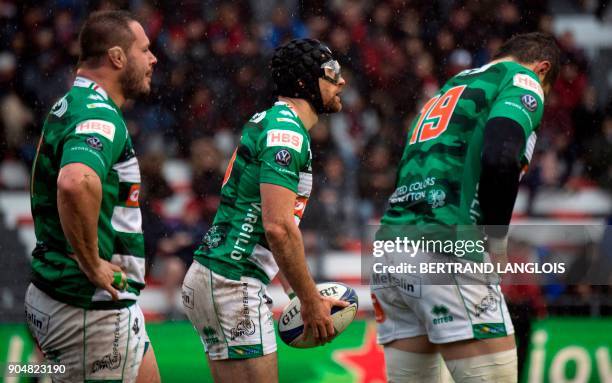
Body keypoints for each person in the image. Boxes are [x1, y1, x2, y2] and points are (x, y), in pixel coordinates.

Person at [371, 32, 560, 382]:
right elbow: (501, 157)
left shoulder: (450, 87)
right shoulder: (523, 80)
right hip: (447, 247)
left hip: (391, 251)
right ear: (543, 69)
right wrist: (496, 242)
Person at [182, 38, 349, 382]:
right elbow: (278, 228)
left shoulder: (273, 122)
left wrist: (300, 294)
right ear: (305, 83)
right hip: (232, 282)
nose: (341, 81)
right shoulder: (287, 134)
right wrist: (310, 302)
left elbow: (274, 230)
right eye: (332, 73)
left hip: (218, 276)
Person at [25, 10, 160, 383]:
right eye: (145, 50)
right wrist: (92, 264)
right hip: (91, 308)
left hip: (86, 302)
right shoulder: (99, 113)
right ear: (117, 57)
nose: (154, 58)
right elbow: (75, 182)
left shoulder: (71, 103)